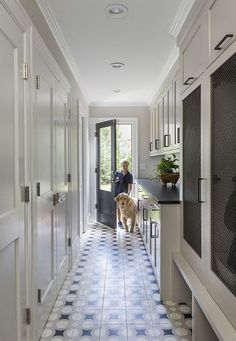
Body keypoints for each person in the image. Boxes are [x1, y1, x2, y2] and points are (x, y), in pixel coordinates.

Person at [115, 159, 133, 228]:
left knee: (125, 208)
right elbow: (115, 181)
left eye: (126, 166)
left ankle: (125, 221)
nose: (125, 167)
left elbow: (130, 184)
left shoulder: (129, 175)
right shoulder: (117, 173)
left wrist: (128, 193)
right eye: (123, 166)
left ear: (128, 166)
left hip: (125, 194)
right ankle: (119, 222)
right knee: (119, 208)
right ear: (121, 165)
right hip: (118, 193)